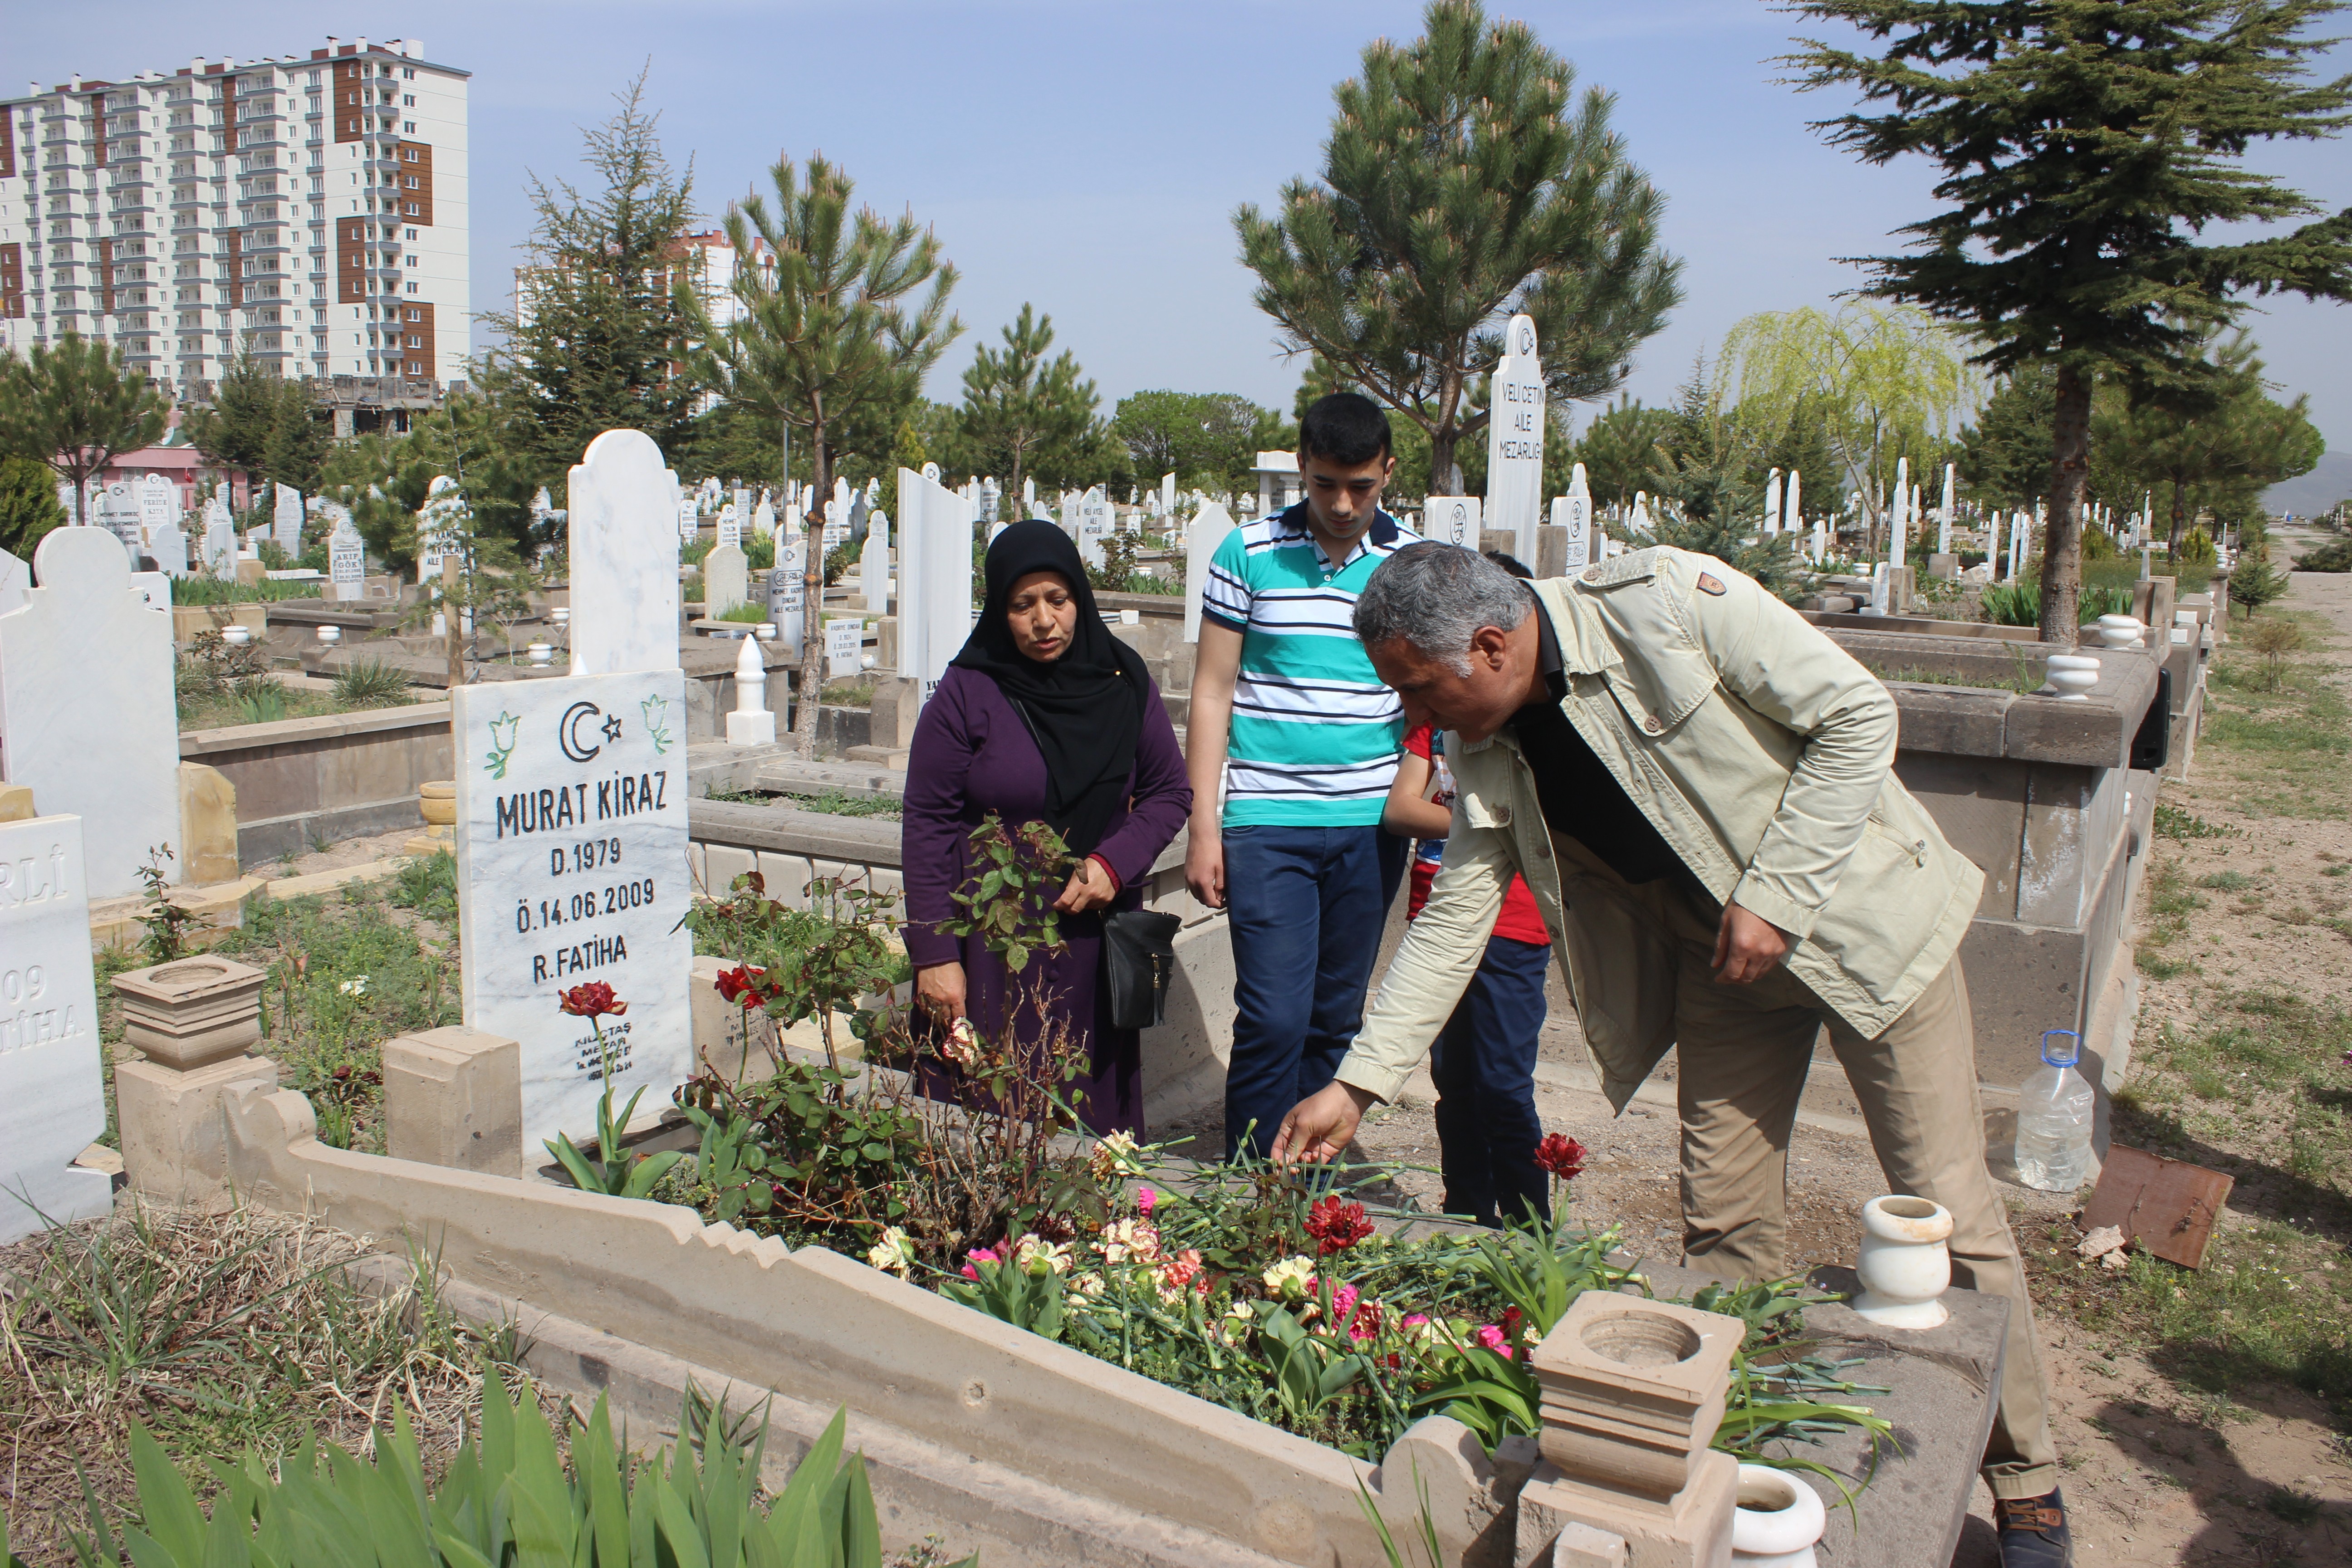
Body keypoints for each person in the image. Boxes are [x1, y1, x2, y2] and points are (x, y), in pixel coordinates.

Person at [1274, 542, 2074, 1568]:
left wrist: (1776, 896)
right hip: (1728, 965)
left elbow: (1859, 716)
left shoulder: (1662, 606)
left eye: (1419, 690)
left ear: (1489, 643)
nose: (1414, 723)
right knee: (1726, 1216)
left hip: (1867, 926)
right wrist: (1358, 1080)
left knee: (1945, 1206)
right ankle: (1752, 1448)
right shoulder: (1485, 747)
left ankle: (2027, 1484)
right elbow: (1455, 917)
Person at [1185, 392, 1419, 1158]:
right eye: (1325, 485)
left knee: (1334, 1016)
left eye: (1362, 486)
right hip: (1266, 820)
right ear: (1301, 469)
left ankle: (1310, 1192)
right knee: (1274, 1014)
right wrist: (1203, 826)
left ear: (1388, 471)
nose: (1344, 505)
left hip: (1370, 824)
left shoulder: (1412, 565)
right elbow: (1214, 691)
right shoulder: (1247, 554)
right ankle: (1248, 1187)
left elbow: (1426, 697)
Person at [901, 520, 1191, 1137]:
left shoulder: (1122, 682)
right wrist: (933, 957)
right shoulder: (967, 694)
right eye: (1022, 605)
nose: (1043, 622)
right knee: (985, 1108)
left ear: (1079, 600)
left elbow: (1170, 792)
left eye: (1057, 601)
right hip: (989, 947)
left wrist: (1113, 863)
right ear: (999, 610)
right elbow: (927, 824)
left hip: (1092, 942)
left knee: (1087, 1109)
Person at [1382, 549, 1554, 1227]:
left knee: (1504, 1084)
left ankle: (1525, 1223)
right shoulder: (1439, 715)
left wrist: (1490, 824)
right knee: (1452, 1082)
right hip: (1439, 913)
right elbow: (1401, 808)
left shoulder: (1528, 721)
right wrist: (1486, 823)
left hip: (1514, 927)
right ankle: (1465, 1208)